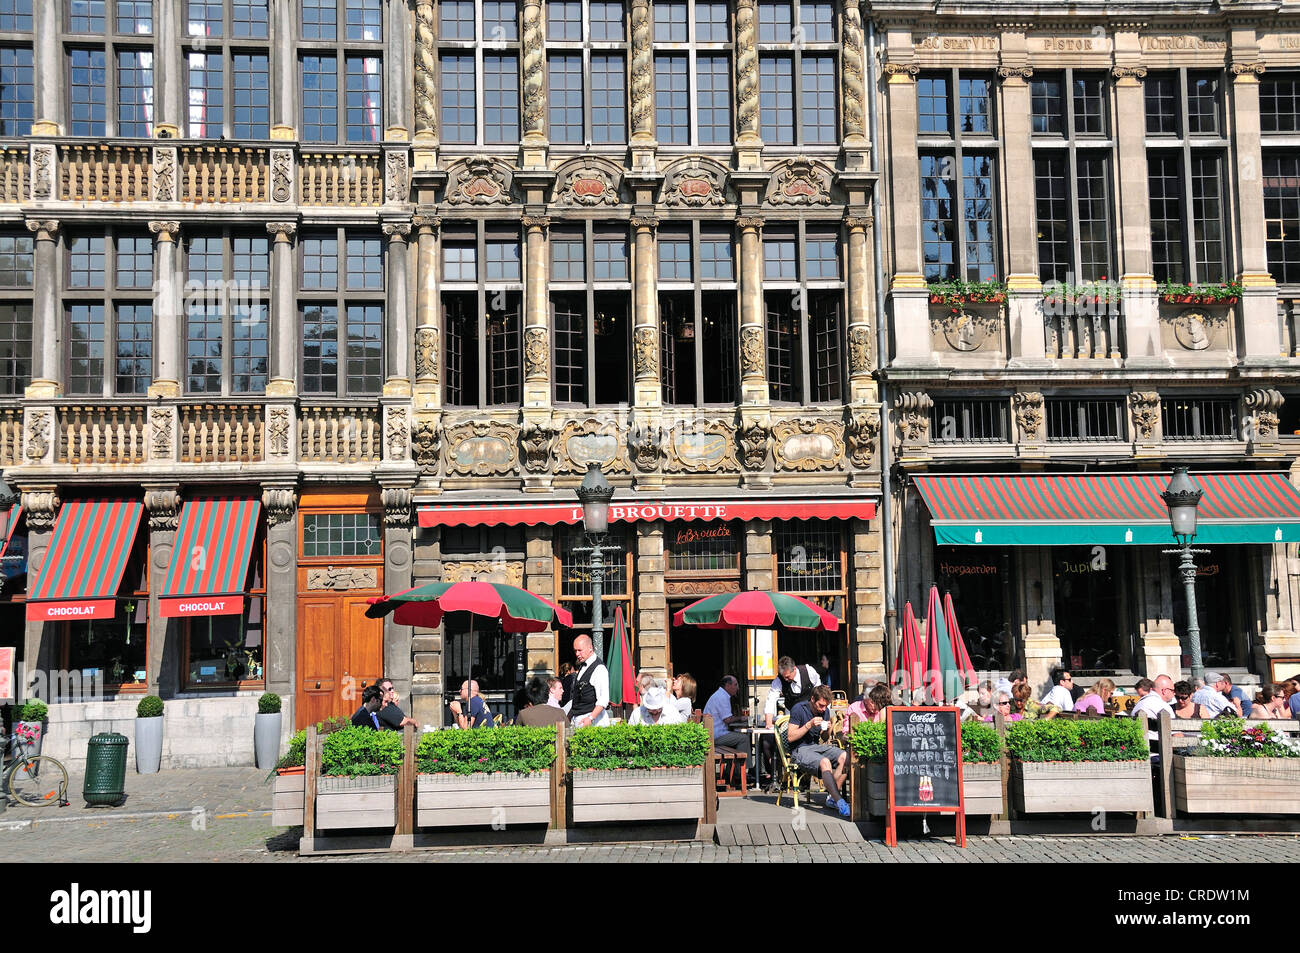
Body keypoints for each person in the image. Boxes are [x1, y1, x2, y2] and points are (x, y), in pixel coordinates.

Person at [786, 685, 850, 818]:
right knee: (825, 762)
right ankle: (839, 801)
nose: (823, 709)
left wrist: (828, 729)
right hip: (799, 750)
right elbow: (791, 737)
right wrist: (809, 724)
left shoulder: (824, 711)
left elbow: (824, 738)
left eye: (825, 706)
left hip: (816, 747)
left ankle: (832, 797)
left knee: (846, 756)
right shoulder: (799, 709)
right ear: (812, 699)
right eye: (820, 705)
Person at [565, 634, 610, 727]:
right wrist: (569, 716)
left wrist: (590, 718)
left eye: (580, 650)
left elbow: (604, 699)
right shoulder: (583, 665)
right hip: (580, 720)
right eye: (575, 651)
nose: (577, 654)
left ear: (590, 648)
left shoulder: (599, 668)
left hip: (594, 722)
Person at [764, 656, 821, 728]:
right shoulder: (779, 680)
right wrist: (768, 723)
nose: (785, 679)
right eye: (783, 677)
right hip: (791, 716)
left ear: (794, 669)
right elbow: (770, 700)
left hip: (810, 714)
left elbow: (819, 690)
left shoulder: (809, 672)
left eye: (787, 676)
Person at [704, 675, 752, 752]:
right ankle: (743, 764)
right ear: (727, 686)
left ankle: (735, 763)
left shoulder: (719, 695)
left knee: (738, 736)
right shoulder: (722, 697)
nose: (738, 688)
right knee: (744, 739)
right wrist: (741, 718)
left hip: (712, 734)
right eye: (735, 685)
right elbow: (727, 719)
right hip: (715, 735)